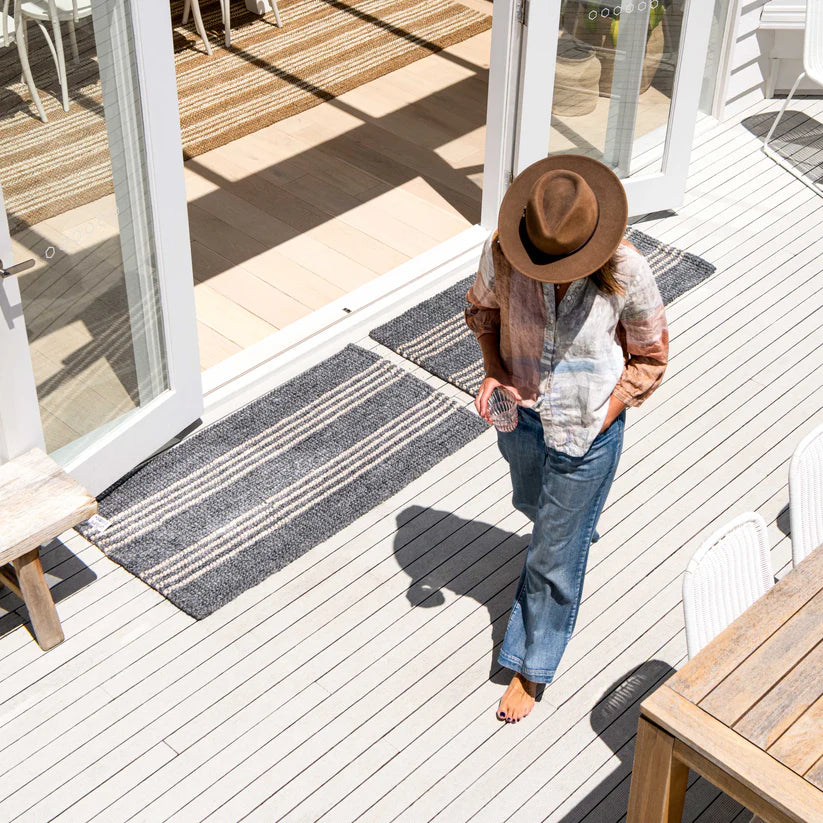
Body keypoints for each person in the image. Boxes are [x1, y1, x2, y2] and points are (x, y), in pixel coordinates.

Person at [464, 155, 669, 723]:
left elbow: (650, 357)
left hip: (590, 429)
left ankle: (531, 666)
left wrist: (609, 413)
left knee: (553, 555)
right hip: (522, 418)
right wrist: (493, 369)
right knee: (534, 506)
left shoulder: (627, 269)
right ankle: (575, 528)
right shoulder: (504, 252)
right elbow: (481, 312)